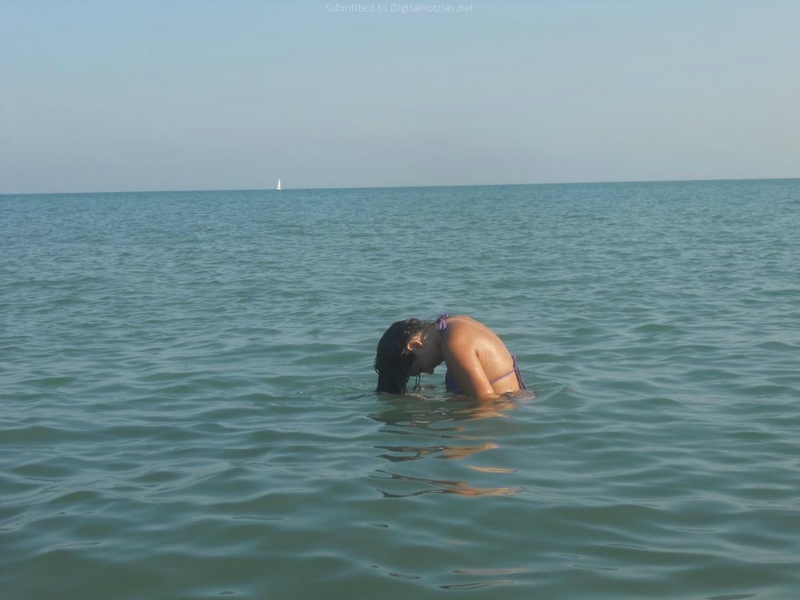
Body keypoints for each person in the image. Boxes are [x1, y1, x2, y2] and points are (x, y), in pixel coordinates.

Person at [374, 313, 526, 398]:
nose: (430, 372)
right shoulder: (453, 324)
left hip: (501, 418)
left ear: (415, 346)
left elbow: (486, 403)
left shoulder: (455, 343)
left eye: (420, 368)